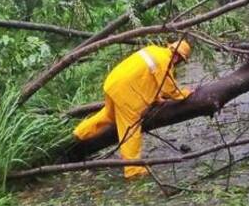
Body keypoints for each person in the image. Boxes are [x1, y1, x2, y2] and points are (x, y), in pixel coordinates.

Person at [73, 39, 192, 179]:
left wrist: (156, 99)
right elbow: (169, 89)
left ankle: (80, 133)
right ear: (178, 56)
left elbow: (146, 79)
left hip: (113, 84)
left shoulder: (154, 50)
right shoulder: (164, 62)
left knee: (108, 116)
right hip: (126, 94)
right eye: (181, 61)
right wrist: (185, 94)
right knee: (131, 129)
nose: (178, 64)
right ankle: (133, 170)